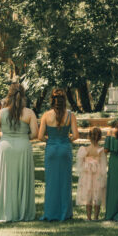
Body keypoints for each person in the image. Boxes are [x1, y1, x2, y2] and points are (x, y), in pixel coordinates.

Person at [0, 82, 38, 222]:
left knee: (6, 180)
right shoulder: (29, 113)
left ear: (9, 95)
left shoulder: (0, 113)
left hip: (5, 147)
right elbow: (34, 134)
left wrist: (6, 136)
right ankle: (22, 212)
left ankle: (6, 211)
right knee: (22, 179)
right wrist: (22, 137)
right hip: (23, 147)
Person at [39, 88, 79, 221]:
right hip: (64, 149)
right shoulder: (70, 115)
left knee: (51, 183)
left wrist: (50, 141)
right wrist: (66, 140)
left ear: (52, 100)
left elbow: (40, 136)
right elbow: (76, 135)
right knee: (65, 183)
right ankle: (65, 213)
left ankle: (50, 213)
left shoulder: (46, 115)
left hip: (51, 149)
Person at [77, 126, 108, 220]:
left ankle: (89, 217)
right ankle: (96, 217)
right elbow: (103, 165)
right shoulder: (101, 151)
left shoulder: (85, 150)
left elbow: (80, 164)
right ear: (99, 138)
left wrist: (86, 167)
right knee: (97, 195)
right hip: (98, 175)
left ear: (89, 137)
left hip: (87, 175)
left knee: (88, 196)